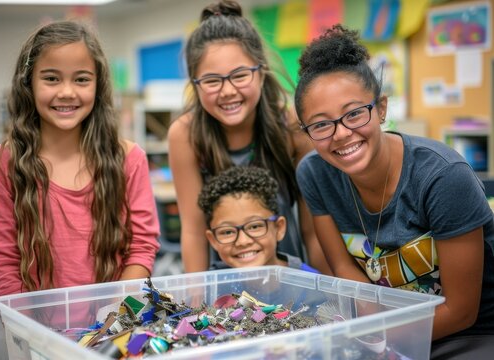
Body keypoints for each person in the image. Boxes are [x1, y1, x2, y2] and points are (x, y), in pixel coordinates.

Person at [294, 24, 494, 357]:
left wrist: (375, 337)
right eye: (321, 124)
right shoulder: (314, 174)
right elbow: (344, 269)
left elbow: (461, 311)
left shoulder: (443, 177)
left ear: (381, 108)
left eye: (354, 113)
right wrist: (367, 335)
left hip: (469, 331)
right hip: (384, 327)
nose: (341, 134)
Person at [0, 20, 160, 297]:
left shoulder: (129, 158)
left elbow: (142, 249)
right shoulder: (2, 163)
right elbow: (4, 263)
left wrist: (117, 318)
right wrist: (27, 329)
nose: (67, 91)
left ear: (98, 86)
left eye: (81, 79)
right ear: (28, 83)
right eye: (51, 78)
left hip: (117, 325)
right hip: (36, 328)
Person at [168, 0, 330, 274]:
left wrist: (326, 291)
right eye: (211, 81)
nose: (227, 91)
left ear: (261, 70)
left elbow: (312, 229)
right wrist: (196, 303)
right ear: (194, 85)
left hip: (288, 277)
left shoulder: (290, 124)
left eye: (240, 75)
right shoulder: (185, 134)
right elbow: (194, 232)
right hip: (225, 287)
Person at [198, 166, 319, 272]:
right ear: (213, 240)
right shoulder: (211, 289)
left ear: (279, 228)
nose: (243, 241)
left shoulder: (309, 284)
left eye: (255, 226)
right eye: (227, 232)